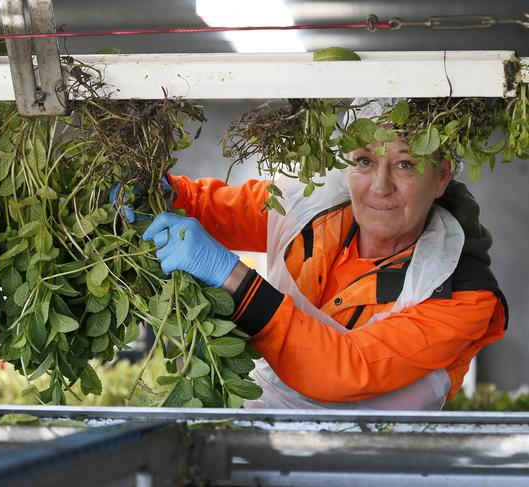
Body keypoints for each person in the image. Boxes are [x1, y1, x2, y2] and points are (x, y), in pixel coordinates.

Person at [140, 99, 508, 410]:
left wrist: (231, 277)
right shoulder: (314, 206)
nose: (380, 188)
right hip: (255, 439)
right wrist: (160, 193)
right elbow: (214, 207)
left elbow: (345, 368)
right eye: (365, 161)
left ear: (442, 176)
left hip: (365, 468)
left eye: (405, 164)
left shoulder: (462, 294)